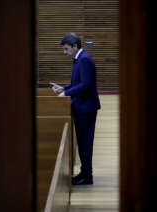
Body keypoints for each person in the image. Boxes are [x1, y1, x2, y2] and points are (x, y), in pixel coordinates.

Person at [50, 32, 101, 185]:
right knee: (83, 142)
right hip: (82, 107)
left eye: (66, 49)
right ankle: (84, 173)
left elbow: (85, 85)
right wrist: (63, 88)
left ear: (74, 46)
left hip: (86, 108)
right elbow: (78, 82)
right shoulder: (79, 58)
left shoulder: (84, 59)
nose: (65, 53)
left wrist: (67, 93)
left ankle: (87, 176)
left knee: (85, 143)